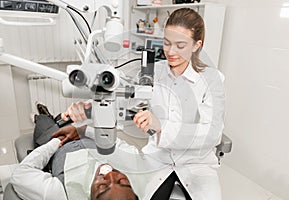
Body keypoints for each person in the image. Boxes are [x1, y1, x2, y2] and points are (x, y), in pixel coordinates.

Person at [59, 8, 225, 200]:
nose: (170, 52)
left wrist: (161, 127)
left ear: (196, 45)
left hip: (197, 164)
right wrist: (89, 109)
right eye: (167, 43)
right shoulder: (152, 72)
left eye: (180, 45)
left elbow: (212, 134)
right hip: (157, 159)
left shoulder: (213, 79)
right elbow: (122, 98)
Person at [10, 109, 139, 200]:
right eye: (122, 180)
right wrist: (82, 131)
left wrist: (56, 142)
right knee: (66, 118)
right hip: (82, 135)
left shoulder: (60, 194)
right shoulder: (135, 175)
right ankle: (54, 117)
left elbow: (20, 175)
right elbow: (116, 144)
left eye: (101, 186)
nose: (110, 174)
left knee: (44, 123)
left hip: (58, 143)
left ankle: (42, 116)